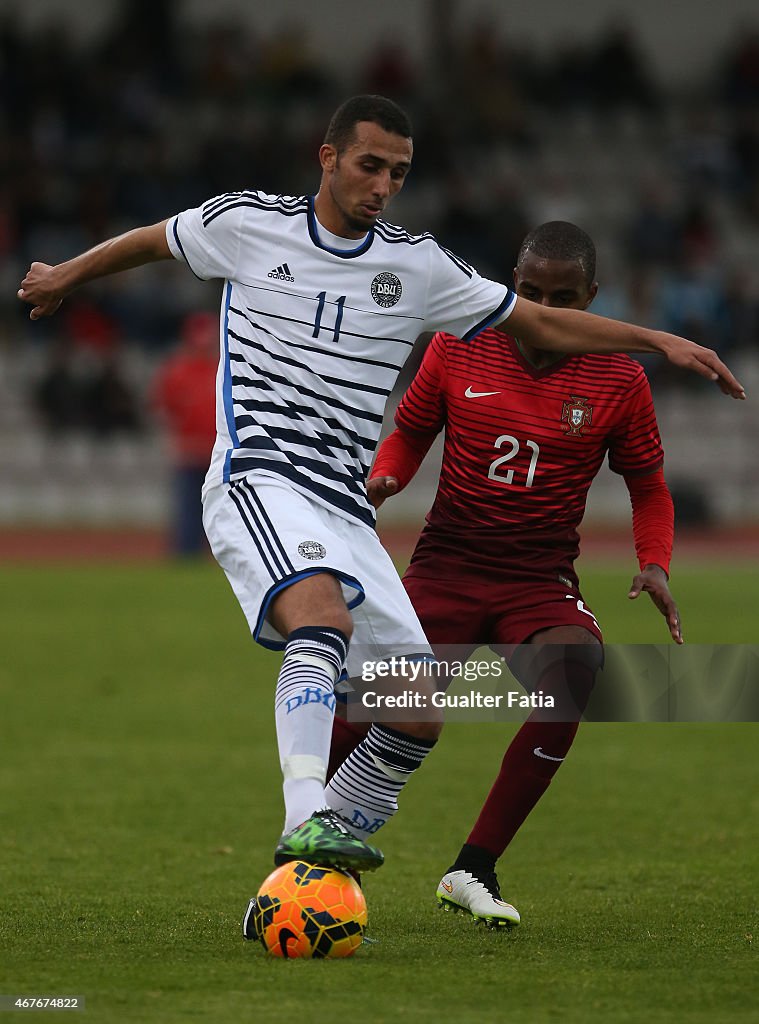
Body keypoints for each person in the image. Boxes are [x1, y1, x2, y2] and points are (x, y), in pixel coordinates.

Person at [17, 96, 742, 908]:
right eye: (369, 165)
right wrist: (66, 274)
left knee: (417, 708)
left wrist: (659, 340)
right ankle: (305, 823)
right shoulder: (247, 223)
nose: (383, 184)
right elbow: (155, 240)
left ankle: (316, 874)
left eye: (398, 172)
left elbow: (540, 323)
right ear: (326, 157)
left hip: (346, 505)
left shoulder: (421, 267)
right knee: (320, 620)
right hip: (263, 471)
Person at [342, 220, 682, 927]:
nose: (542, 307)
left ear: (591, 296)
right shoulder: (458, 341)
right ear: (510, 285)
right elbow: (409, 431)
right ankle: (306, 850)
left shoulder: (619, 376)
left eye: (562, 296)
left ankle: (473, 867)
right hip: (446, 566)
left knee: (577, 668)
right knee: (371, 697)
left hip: (537, 578)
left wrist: (653, 563)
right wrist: (385, 476)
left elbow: (647, 486)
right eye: (529, 290)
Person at [151, 311, 218, 556]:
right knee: (189, 509)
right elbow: (163, 408)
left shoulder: (222, 367)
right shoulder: (176, 371)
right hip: (189, 452)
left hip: (217, 453)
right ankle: (186, 555)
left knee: (220, 510)